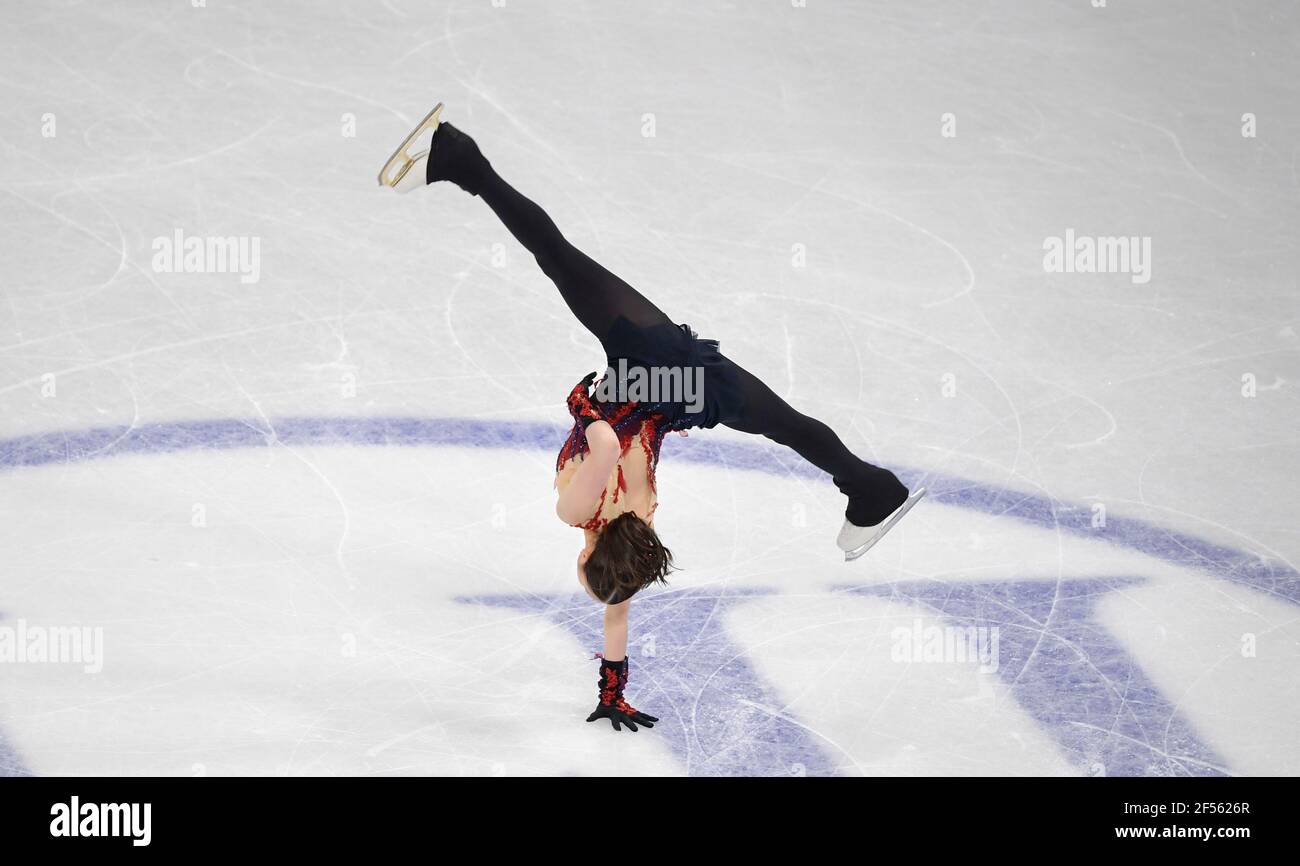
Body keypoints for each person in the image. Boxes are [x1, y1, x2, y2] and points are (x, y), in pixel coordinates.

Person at [379, 104, 925, 732]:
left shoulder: (636, 531)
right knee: (556, 256)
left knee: (785, 423)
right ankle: (460, 159)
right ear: (587, 559)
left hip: (684, 391)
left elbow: (617, 606)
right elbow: (606, 444)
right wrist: (588, 404)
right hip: (647, 368)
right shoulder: (580, 514)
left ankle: (871, 486)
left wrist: (612, 691)